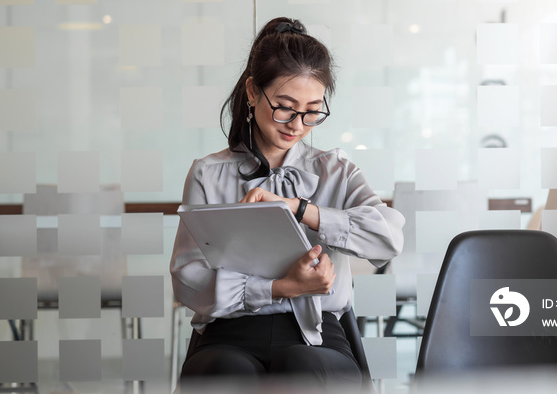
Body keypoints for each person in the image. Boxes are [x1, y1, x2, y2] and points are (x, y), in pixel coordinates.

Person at [171, 17, 405, 389]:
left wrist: (300, 208)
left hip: (317, 333)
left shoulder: (336, 170)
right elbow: (187, 280)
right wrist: (280, 288)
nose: (298, 124)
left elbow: (389, 237)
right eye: (285, 106)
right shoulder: (207, 174)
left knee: (301, 368)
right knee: (224, 373)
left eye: (313, 110)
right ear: (252, 91)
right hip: (229, 333)